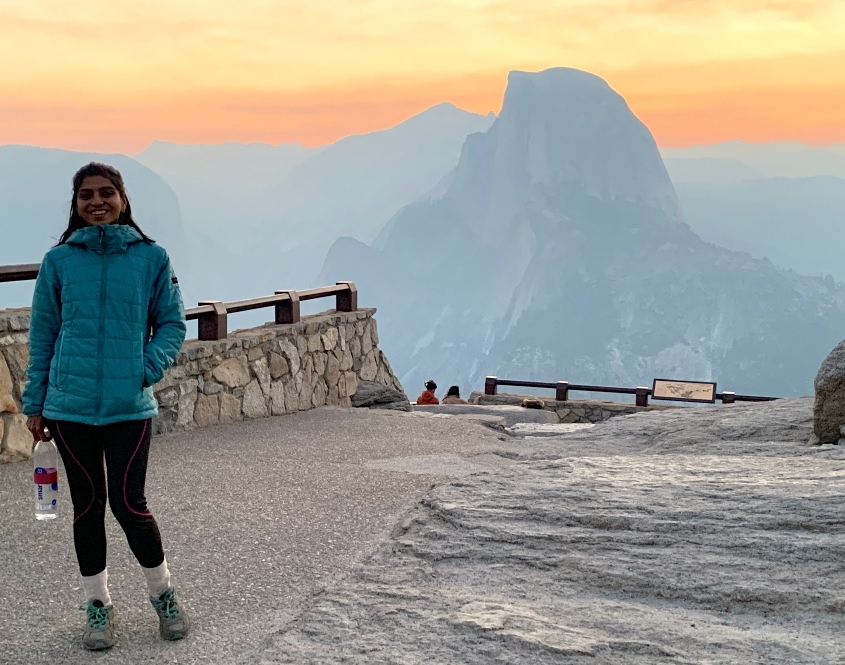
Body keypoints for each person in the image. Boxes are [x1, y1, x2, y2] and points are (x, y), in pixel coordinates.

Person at [22, 162, 190, 651]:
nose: (97, 201)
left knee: (130, 504)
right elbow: (43, 336)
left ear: (123, 198)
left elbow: (172, 324)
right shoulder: (59, 262)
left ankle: (164, 597)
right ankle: (99, 606)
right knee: (87, 507)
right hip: (68, 409)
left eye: (106, 193)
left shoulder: (151, 258)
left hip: (129, 407)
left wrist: (144, 369)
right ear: (75, 204)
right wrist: (36, 403)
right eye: (86, 195)